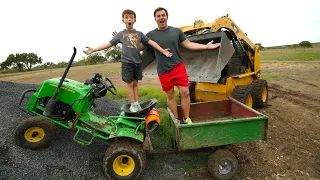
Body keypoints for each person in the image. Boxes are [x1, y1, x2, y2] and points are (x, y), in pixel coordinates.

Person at [83, 9, 172, 113]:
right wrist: (94, 49)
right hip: (127, 64)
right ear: (123, 20)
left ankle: (137, 103)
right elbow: (108, 44)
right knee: (129, 84)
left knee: (135, 83)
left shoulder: (139, 34)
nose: (129, 19)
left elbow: (151, 42)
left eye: (131, 17)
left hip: (137, 63)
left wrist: (162, 50)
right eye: (127, 17)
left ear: (134, 20)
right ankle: (133, 104)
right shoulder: (121, 35)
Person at [144, 7, 221, 124]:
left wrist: (206, 46)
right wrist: (126, 39)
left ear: (167, 17)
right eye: (158, 16)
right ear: (155, 19)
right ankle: (176, 119)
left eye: (163, 15)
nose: (161, 17)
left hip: (178, 67)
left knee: (185, 92)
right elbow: (140, 46)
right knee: (170, 95)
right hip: (163, 70)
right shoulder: (151, 34)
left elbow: (189, 44)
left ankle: (186, 118)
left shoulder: (176, 31)